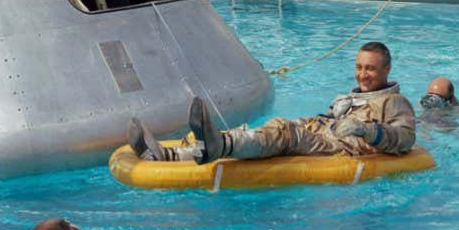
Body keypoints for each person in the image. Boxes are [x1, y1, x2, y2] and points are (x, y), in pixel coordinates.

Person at [128, 42, 415, 165]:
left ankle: (219, 145)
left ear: (387, 70)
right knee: (279, 128)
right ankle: (169, 157)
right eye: (359, 67)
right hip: (320, 136)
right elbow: (324, 120)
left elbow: (405, 138)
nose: (362, 74)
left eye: (370, 69)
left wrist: (368, 132)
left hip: (340, 148)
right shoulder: (347, 98)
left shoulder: (394, 101)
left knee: (283, 131)